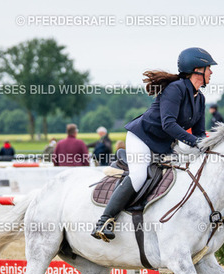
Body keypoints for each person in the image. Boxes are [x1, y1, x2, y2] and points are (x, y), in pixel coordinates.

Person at [91, 47, 215, 241]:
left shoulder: (200, 99)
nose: (211, 72)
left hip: (164, 145)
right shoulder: (175, 89)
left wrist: (208, 145)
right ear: (197, 69)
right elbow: (168, 124)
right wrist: (195, 143)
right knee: (139, 176)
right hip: (142, 138)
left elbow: (199, 133)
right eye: (209, 68)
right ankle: (105, 220)